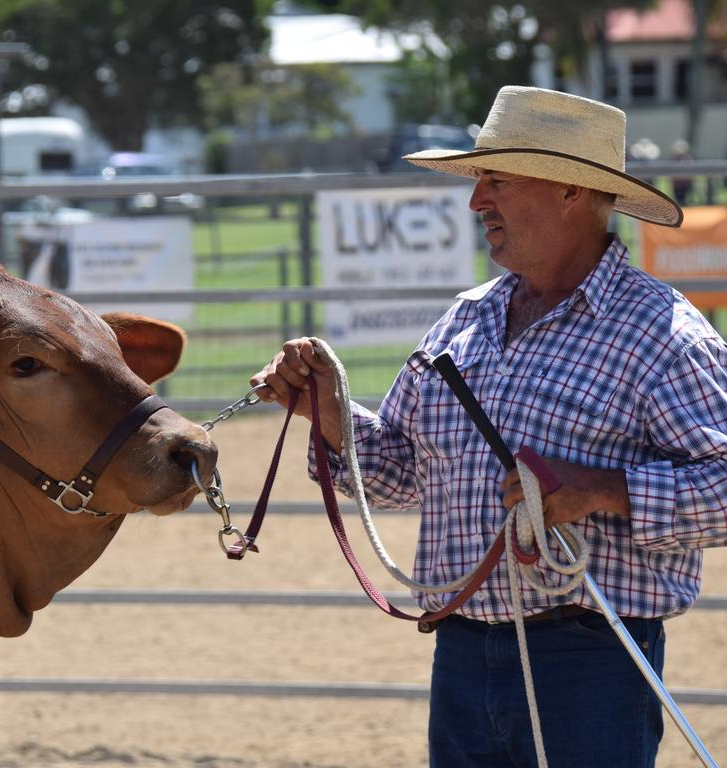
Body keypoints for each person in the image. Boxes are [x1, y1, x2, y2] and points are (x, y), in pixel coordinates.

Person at [252, 86, 727, 768]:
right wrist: (325, 409)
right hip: (463, 654)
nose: (478, 203)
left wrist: (599, 490)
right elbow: (397, 473)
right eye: (479, 181)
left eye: (497, 180)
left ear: (571, 190)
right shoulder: (464, 321)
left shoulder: (662, 335)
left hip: (589, 659)